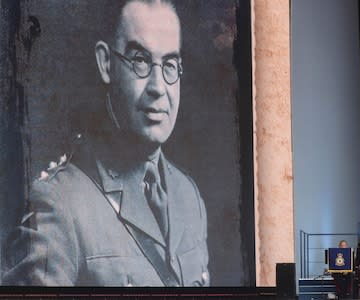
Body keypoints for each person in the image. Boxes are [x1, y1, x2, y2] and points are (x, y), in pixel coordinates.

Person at [2, 0, 209, 286]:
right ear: (106, 63)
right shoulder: (60, 206)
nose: (159, 87)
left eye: (170, 65)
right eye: (140, 61)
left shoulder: (189, 197)